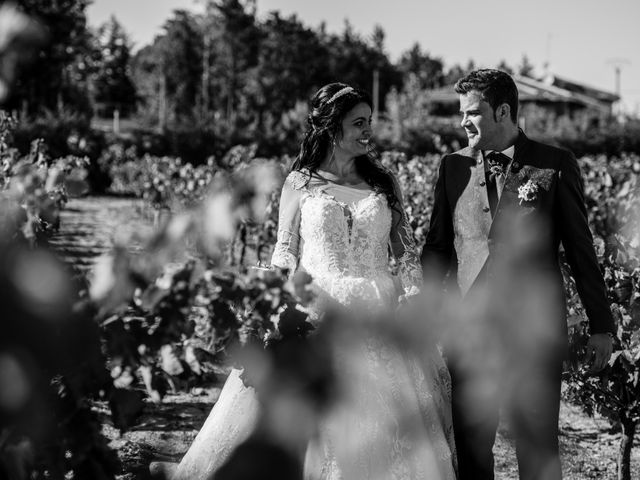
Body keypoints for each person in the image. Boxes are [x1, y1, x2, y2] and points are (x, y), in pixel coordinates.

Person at [162, 83, 457, 480]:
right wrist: (266, 301)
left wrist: (414, 293)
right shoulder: (299, 183)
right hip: (317, 311)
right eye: (358, 123)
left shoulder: (385, 183)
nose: (368, 131)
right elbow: (284, 253)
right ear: (331, 128)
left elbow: (404, 253)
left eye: (370, 122)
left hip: (378, 314)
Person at [421, 69, 615, 480]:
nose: (463, 122)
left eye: (472, 113)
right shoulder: (452, 168)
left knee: (538, 449)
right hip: (469, 334)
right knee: (472, 452)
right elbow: (437, 248)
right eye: (461, 113)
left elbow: (582, 252)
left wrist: (601, 324)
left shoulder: (555, 165)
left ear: (503, 111)